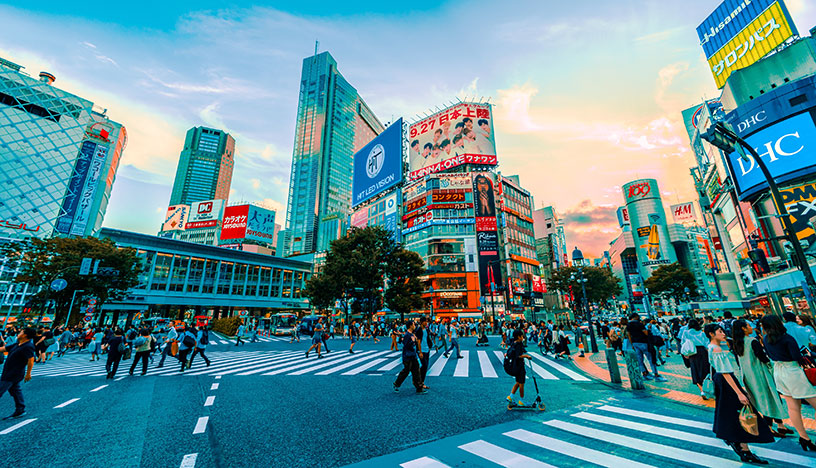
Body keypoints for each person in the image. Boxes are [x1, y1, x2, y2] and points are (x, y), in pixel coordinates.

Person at [705, 323, 772, 463]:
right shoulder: (716, 349)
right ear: (711, 334)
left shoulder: (710, 347)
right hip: (727, 382)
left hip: (722, 382)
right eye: (720, 331)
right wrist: (739, 393)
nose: (723, 334)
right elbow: (725, 372)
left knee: (731, 413)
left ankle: (739, 444)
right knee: (741, 413)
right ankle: (743, 448)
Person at [761, 314, 816, 451]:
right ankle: (805, 438)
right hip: (793, 372)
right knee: (813, 401)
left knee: (793, 407)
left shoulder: (766, 339)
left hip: (779, 372)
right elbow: (797, 357)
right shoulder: (787, 338)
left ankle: (804, 437)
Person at [732, 319, 792, 438]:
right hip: (761, 374)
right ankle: (769, 427)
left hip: (748, 376)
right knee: (769, 399)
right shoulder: (752, 341)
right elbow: (762, 357)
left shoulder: (737, 343)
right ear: (744, 328)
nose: (751, 327)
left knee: (765, 399)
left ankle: (781, 426)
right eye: (748, 325)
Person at [0, 327, 36, 418]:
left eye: (21, 332)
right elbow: (3, 348)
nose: (18, 333)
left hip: (13, 373)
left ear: (25, 335)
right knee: (15, 391)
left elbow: (31, 360)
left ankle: (20, 409)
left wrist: (28, 373)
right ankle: (20, 409)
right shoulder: (17, 344)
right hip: (8, 371)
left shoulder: (28, 346)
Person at [626, 314, 666, 382]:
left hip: (635, 343)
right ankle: (656, 375)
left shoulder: (629, 325)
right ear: (636, 317)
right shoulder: (639, 324)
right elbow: (646, 333)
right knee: (651, 358)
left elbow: (629, 335)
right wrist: (649, 329)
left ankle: (644, 374)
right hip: (644, 342)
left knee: (640, 360)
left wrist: (632, 343)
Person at [392, 321, 426, 394]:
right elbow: (406, 345)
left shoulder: (411, 334)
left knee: (416, 371)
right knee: (406, 371)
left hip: (413, 356)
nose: (414, 326)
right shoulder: (407, 335)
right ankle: (397, 384)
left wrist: (415, 341)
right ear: (410, 326)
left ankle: (419, 388)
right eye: (413, 325)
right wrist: (413, 341)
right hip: (407, 356)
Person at [681, 319, 710, 399]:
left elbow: (683, 343)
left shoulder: (686, 332)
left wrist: (685, 354)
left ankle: (702, 391)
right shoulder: (701, 333)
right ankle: (707, 387)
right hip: (703, 352)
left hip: (693, 353)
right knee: (705, 370)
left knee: (695, 371)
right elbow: (707, 343)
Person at [506, 329, 532, 406]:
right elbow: (518, 356)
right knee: (521, 384)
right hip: (519, 366)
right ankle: (521, 401)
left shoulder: (513, 343)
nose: (523, 337)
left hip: (515, 365)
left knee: (518, 382)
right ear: (518, 336)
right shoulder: (518, 345)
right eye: (522, 336)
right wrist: (526, 356)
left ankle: (510, 397)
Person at [416, 317, 432, 388]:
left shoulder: (426, 329)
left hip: (427, 349)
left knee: (425, 367)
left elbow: (427, 338)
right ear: (421, 322)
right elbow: (418, 342)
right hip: (422, 350)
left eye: (426, 321)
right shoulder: (419, 330)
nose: (426, 323)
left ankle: (422, 382)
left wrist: (429, 346)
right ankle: (419, 380)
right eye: (425, 321)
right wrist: (420, 352)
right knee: (424, 365)